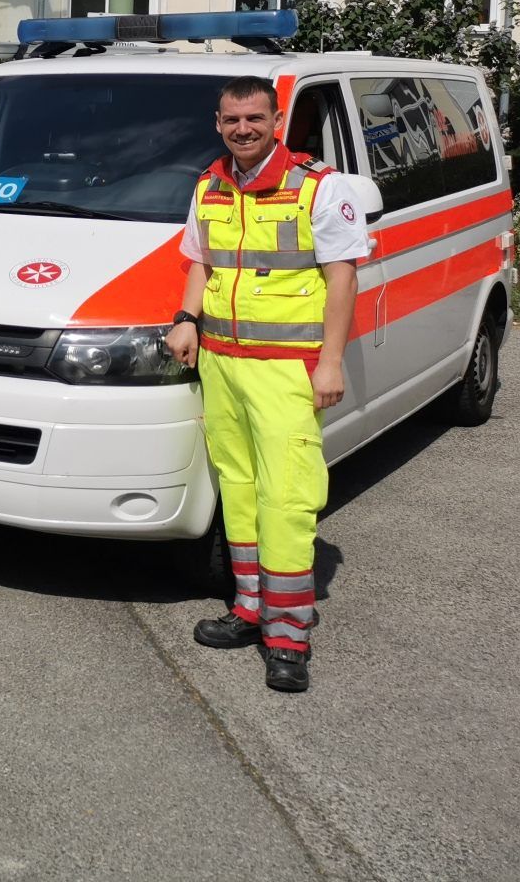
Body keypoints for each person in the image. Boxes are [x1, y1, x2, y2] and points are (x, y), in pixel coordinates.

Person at [163, 75, 367, 693]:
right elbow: (198, 259)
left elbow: (343, 278)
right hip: (222, 364)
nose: (243, 130)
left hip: (288, 368)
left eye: (254, 118)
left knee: (286, 498)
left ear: (276, 120)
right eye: (231, 120)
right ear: (218, 123)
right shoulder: (210, 185)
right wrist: (186, 318)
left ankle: (288, 635)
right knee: (240, 490)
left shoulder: (318, 188)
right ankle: (249, 610)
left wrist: (331, 363)